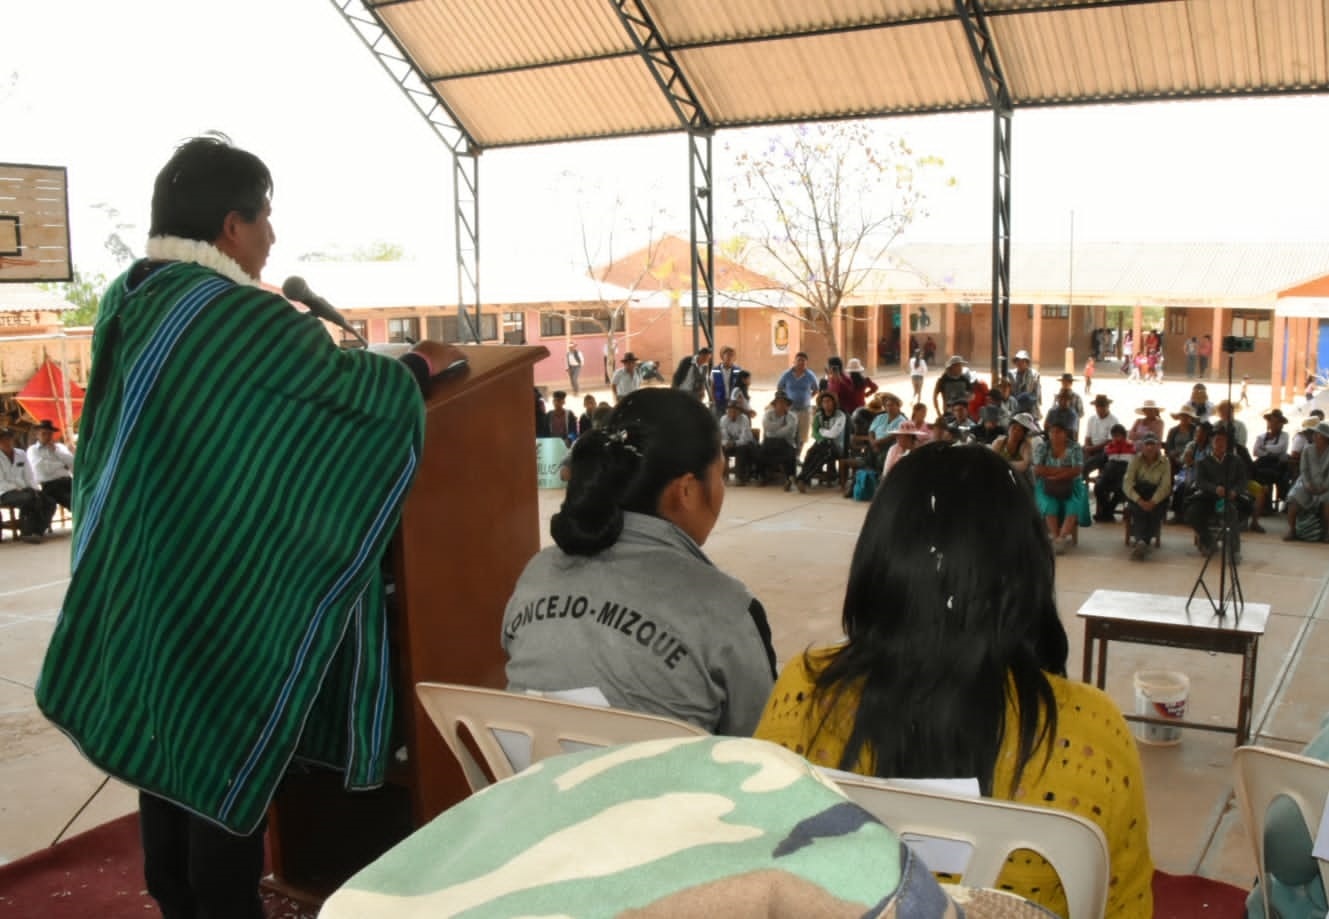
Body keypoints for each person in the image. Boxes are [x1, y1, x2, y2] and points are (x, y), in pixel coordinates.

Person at [33, 134, 444, 919]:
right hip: (215, 598)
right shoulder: (236, 318)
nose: (272, 239)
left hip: (145, 572)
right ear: (231, 226)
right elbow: (341, 393)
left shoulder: (133, 297)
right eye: (265, 219)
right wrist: (420, 369)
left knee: (165, 747)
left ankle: (177, 897)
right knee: (218, 750)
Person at [753, 444, 1154, 918]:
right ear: (1026, 567)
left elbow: (757, 864)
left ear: (880, 556)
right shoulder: (1090, 731)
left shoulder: (804, 694)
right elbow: (1126, 906)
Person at [502, 387, 777, 734]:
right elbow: (762, 749)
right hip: (658, 786)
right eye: (719, 475)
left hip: (528, 784)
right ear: (687, 490)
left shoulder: (537, 573)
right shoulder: (727, 609)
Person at [1187, 424, 1250, 559]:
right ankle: (1209, 542)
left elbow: (1243, 481)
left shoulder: (1236, 460)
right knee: (1192, 513)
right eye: (1217, 440)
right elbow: (1200, 482)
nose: (1220, 443)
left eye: (1223, 441)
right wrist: (1215, 489)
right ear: (1212, 442)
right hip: (1209, 497)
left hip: (1230, 498)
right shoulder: (1203, 461)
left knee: (1232, 512)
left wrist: (1235, 491)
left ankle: (1234, 550)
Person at [1033, 418, 1091, 553]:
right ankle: (1055, 536)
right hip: (1047, 484)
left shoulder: (1074, 447)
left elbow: (1077, 470)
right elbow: (1038, 469)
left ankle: (1062, 538)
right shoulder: (1043, 446)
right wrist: (1062, 471)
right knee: (1049, 503)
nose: (1055, 435)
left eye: (1058, 432)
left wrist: (1055, 474)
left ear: (1065, 433)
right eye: (1052, 432)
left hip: (1072, 483)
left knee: (1073, 503)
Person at [1124, 432, 1172, 559]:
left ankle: (1142, 542)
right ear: (1142, 446)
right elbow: (1127, 483)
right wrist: (1139, 500)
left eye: (1153, 444)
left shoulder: (1165, 462)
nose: (1150, 448)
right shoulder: (1135, 460)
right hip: (1139, 493)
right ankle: (1142, 542)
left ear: (1158, 446)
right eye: (1147, 444)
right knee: (1138, 511)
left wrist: (1153, 501)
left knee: (1155, 512)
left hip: (1157, 495)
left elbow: (1165, 486)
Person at [0, 426, 49, 543]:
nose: (7, 442)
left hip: (24, 489)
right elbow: (1, 482)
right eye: (3, 439)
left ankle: (37, 530)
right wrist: (21, 489)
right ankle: (27, 532)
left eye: (9, 439)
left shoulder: (21, 453)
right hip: (4, 491)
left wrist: (34, 489)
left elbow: (29, 475)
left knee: (48, 501)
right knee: (28, 499)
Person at [1284, 421, 1329, 542]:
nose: (1314, 436)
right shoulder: (1308, 449)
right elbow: (1303, 470)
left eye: (1317, 434)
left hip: (1326, 486)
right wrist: (1308, 485)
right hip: (1307, 483)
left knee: (1327, 501)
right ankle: (1291, 530)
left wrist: (1324, 487)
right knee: (1294, 498)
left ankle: (1327, 532)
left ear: (1325, 438)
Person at [796, 391, 846, 492]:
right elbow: (814, 433)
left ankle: (803, 479)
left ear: (834, 402)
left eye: (829, 401)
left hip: (838, 446)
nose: (826, 404)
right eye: (824, 402)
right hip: (822, 444)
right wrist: (822, 438)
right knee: (810, 452)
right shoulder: (818, 416)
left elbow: (833, 434)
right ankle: (803, 479)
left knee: (824, 451)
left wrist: (821, 431)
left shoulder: (840, 415)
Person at [27, 419, 73, 525]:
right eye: (44, 433)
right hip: (50, 484)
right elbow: (42, 469)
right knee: (71, 500)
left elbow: (72, 463)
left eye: (50, 434)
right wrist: (62, 465)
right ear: (37, 435)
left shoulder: (59, 448)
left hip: (67, 480)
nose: (47, 436)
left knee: (85, 494)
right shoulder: (33, 450)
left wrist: (56, 452)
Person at [775, 351, 819, 451]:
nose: (801, 363)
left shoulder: (810, 375)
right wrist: (784, 401)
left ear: (806, 363)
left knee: (803, 435)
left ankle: (798, 455)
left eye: (803, 361)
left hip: (805, 410)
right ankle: (790, 454)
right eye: (799, 360)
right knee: (790, 433)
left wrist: (808, 397)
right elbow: (779, 388)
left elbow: (816, 389)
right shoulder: (787, 374)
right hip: (790, 410)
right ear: (794, 361)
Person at [757, 391, 800, 490]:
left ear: (787, 405)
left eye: (783, 403)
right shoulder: (768, 414)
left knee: (787, 451)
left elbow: (788, 431)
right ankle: (762, 476)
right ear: (774, 404)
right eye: (779, 402)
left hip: (787, 443)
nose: (781, 405)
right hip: (770, 443)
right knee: (760, 450)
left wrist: (774, 430)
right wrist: (781, 425)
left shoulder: (792, 417)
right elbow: (767, 427)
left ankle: (789, 479)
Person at [991, 412, 1038, 489]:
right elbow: (991, 461)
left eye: (1019, 430)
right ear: (1009, 429)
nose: (1015, 432)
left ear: (1023, 434)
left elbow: (1025, 465)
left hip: (1019, 480)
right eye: (1014, 428)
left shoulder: (1025, 445)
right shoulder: (999, 442)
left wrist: (1002, 464)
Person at [719, 401, 756, 485]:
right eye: (730, 411)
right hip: (730, 443)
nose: (732, 413)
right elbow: (722, 436)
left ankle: (739, 477)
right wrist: (726, 443)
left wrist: (734, 443)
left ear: (739, 411)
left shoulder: (744, 419)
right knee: (721, 449)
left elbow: (744, 438)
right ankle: (724, 475)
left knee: (741, 449)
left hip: (745, 444)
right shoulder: (723, 419)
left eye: (734, 411)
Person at [709, 345, 740, 417]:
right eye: (727, 355)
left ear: (734, 358)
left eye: (732, 355)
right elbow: (712, 387)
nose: (729, 357)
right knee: (719, 421)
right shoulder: (715, 370)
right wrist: (714, 401)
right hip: (719, 402)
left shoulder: (738, 370)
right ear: (722, 356)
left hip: (733, 402)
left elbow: (740, 387)